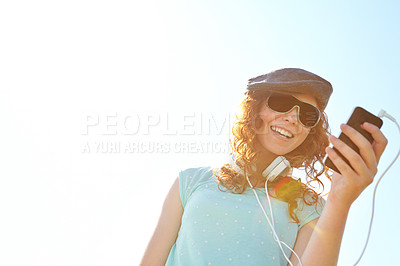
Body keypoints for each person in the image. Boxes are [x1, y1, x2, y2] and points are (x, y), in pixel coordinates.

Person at [140, 68, 387, 266]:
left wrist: (339, 201)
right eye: (281, 102)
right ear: (254, 110)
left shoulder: (311, 206)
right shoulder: (191, 181)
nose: (292, 118)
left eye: (307, 115)